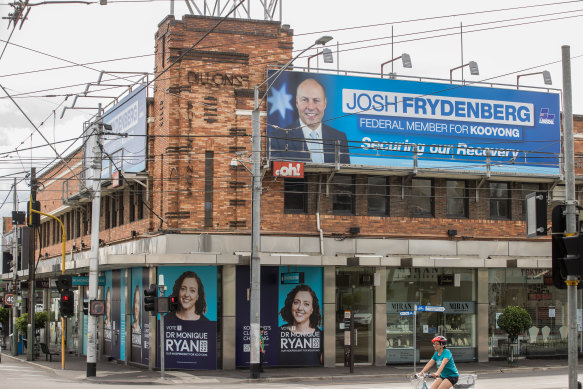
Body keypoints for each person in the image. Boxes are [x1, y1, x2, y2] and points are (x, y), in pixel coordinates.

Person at [269, 78, 350, 164]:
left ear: (325, 103)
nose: (311, 107)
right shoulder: (277, 138)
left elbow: (345, 175)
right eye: (305, 100)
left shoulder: (340, 138)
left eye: (316, 100)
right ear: (297, 102)